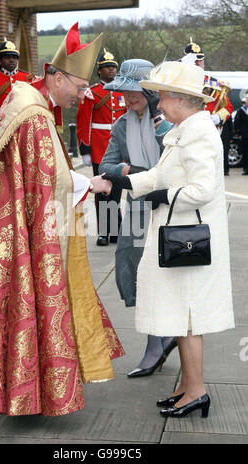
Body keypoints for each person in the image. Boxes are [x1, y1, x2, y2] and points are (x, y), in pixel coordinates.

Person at [0, 23, 124, 417]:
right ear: (56, 78)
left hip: (6, 230)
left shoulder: (25, 101)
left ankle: (25, 395)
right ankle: (31, 396)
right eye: (77, 87)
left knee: (21, 311)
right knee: (33, 303)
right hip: (21, 235)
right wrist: (92, 183)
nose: (81, 95)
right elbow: (50, 182)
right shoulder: (36, 117)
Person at [98, 61, 235, 418]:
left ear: (179, 99)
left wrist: (161, 196)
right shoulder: (185, 130)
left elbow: (202, 189)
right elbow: (159, 173)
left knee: (189, 320)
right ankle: (187, 388)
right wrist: (124, 183)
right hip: (180, 236)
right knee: (182, 317)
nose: (158, 103)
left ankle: (198, 391)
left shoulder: (199, 133)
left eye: (162, 96)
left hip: (190, 241)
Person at [99, 58, 177, 377]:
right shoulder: (121, 125)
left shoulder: (167, 123)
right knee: (130, 266)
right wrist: (134, 171)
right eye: (125, 93)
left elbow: (172, 168)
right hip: (136, 206)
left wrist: (133, 171)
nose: (129, 99)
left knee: (162, 274)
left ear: (150, 92)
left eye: (135, 93)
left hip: (168, 207)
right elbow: (107, 165)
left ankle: (159, 341)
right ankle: (158, 338)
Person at [76, 49, 126, 246]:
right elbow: (83, 122)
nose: (111, 70)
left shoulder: (123, 90)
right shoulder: (92, 93)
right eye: (107, 68)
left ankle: (116, 231)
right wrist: (85, 149)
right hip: (99, 147)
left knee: (117, 191)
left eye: (113, 67)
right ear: (100, 71)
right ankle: (104, 232)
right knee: (102, 191)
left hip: (119, 148)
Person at [181, 38, 233, 175]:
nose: (198, 64)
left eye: (201, 61)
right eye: (195, 61)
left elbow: (228, 108)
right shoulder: (178, 83)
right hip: (185, 138)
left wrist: (218, 117)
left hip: (209, 138)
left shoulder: (215, 84)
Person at [0, 39, 38, 142]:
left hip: (24, 128)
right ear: (0, 61)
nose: (11, 60)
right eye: (7, 57)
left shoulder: (28, 78)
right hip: (0, 130)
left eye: (14, 57)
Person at [234, 93, 248, 175]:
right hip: (245, 135)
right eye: (247, 100)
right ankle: (246, 169)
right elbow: (237, 123)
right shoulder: (241, 111)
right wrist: (238, 133)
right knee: (245, 153)